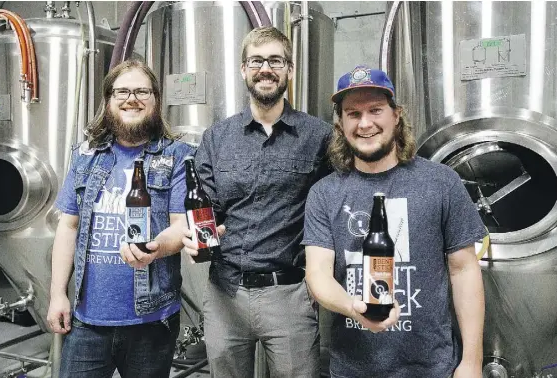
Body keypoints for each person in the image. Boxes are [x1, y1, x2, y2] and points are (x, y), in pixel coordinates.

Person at [302, 65, 486, 378]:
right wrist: (354, 309)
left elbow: (464, 269)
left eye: (375, 110)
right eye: (353, 113)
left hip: (430, 367)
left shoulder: (441, 182)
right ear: (340, 123)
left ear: (395, 115)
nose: (365, 123)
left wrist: (471, 362)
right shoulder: (325, 193)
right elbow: (317, 272)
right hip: (353, 369)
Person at [181, 26, 331, 377]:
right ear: (243, 69)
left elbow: (332, 212)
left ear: (289, 70)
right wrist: (192, 235)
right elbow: (206, 209)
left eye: (276, 60)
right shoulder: (217, 137)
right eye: (257, 60)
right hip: (225, 293)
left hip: (291, 293)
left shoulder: (319, 136)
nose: (266, 68)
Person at [46, 59, 193, 378]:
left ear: (156, 99)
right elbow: (68, 227)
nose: (132, 98)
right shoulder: (85, 156)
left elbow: (181, 225)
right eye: (122, 91)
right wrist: (58, 293)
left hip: (152, 320)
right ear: (108, 100)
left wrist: (156, 247)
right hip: (88, 320)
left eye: (142, 91)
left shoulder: (177, 156)